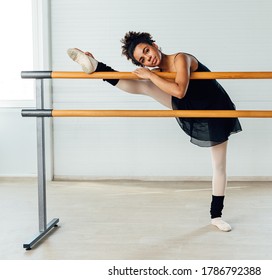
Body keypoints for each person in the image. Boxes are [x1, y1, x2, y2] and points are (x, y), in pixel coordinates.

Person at [67, 31, 242, 232]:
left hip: (215, 109)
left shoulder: (181, 58)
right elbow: (157, 87)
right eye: (143, 59)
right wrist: (147, 75)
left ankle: (216, 215)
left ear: (155, 45)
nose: (148, 58)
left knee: (218, 165)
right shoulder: (157, 71)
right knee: (146, 86)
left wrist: (149, 74)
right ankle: (96, 66)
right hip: (190, 106)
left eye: (147, 51)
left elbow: (179, 91)